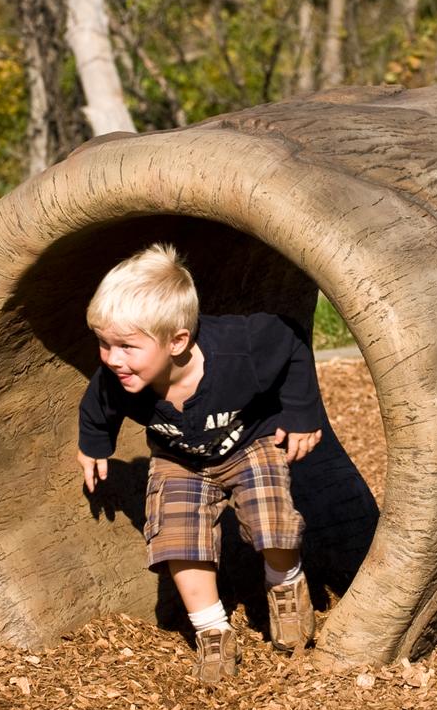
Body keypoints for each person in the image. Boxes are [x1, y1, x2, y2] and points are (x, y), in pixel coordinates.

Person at [77, 243, 326, 683]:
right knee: (177, 535)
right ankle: (212, 631)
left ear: (178, 341)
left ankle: (285, 583)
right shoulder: (117, 380)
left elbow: (290, 342)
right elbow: (97, 409)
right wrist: (95, 446)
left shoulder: (241, 351)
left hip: (249, 442)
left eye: (127, 346)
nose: (113, 359)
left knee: (273, 518)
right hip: (179, 459)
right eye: (104, 344)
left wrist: (302, 413)